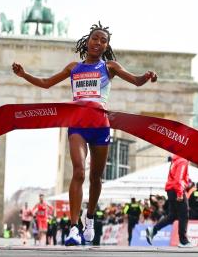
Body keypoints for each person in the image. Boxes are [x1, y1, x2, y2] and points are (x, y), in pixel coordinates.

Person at [12, 22, 158, 245]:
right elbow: (45, 83)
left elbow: (137, 81)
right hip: (77, 125)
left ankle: (89, 218)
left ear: (106, 46)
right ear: (87, 41)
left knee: (95, 177)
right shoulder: (73, 68)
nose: (98, 43)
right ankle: (73, 227)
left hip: (100, 126)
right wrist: (24, 75)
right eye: (95, 38)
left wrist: (147, 76)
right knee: (79, 171)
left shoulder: (110, 67)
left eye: (103, 40)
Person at [146, 155, 195, 248]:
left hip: (171, 190)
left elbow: (175, 177)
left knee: (172, 216)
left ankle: (153, 230)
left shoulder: (175, 160)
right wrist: (180, 193)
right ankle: (183, 241)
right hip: (177, 189)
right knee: (184, 214)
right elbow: (178, 179)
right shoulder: (183, 161)